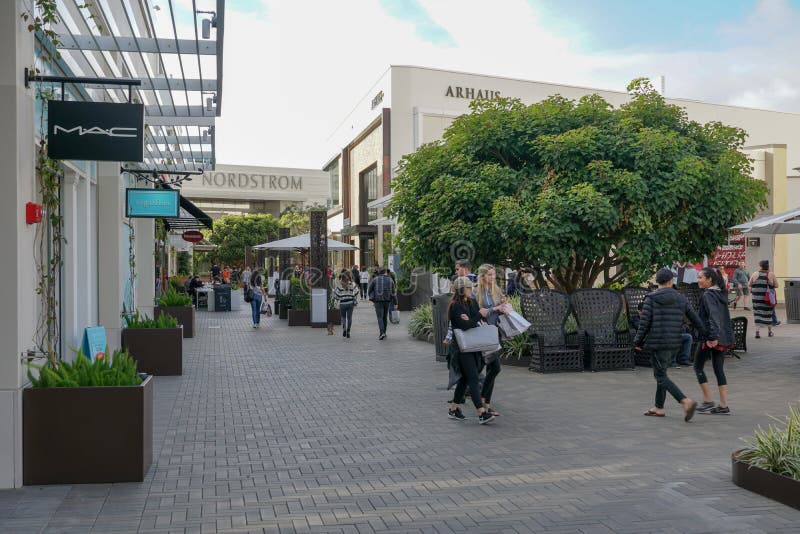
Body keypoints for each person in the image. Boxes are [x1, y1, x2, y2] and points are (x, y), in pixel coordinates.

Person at [633, 268, 704, 421]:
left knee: (660, 376)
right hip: (675, 342)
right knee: (662, 373)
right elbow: (695, 319)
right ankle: (659, 407)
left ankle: (685, 401)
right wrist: (707, 335)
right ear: (671, 281)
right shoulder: (681, 298)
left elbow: (644, 325)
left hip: (658, 344)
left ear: (657, 282)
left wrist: (636, 342)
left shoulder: (650, 299)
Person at [447, 276, 496, 424]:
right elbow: (465, 325)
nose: (472, 290)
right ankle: (481, 413)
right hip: (462, 348)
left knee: (465, 379)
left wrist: (478, 317)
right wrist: (478, 315)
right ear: (462, 289)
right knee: (473, 378)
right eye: (469, 288)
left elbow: (474, 320)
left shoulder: (472, 302)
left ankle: (454, 409)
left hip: (474, 345)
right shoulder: (455, 306)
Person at [695, 267, 735, 415]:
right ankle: (723, 405)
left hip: (711, 337)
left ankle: (708, 401)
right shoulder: (721, 293)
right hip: (723, 337)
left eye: (700, 277)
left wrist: (712, 337)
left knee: (698, 366)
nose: (698, 280)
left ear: (709, 279)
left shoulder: (708, 295)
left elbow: (713, 316)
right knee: (719, 369)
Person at [475, 264, 507, 417]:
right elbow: (479, 313)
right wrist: (496, 309)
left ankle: (486, 404)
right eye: (489, 275)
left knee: (492, 369)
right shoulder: (477, 292)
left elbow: (500, 308)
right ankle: (480, 401)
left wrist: (506, 307)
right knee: (491, 368)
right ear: (482, 277)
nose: (492, 278)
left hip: (495, 333)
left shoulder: (496, 290)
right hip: (482, 334)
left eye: (493, 275)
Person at [749, 259, 779, 338]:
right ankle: (769, 332)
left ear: (761, 266)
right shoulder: (771, 274)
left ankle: (757, 332)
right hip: (767, 298)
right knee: (768, 313)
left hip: (756, 298)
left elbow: (750, 284)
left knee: (757, 313)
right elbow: (776, 285)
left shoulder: (755, 273)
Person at [367, 266, 397, 340]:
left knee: (379, 317)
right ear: (385, 272)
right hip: (387, 300)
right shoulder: (390, 280)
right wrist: (396, 303)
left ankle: (382, 333)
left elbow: (369, 290)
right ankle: (384, 333)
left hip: (378, 300)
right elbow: (394, 292)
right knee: (384, 317)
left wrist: (372, 299)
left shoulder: (375, 279)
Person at [333, 273, 358, 338]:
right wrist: (353, 296)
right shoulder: (352, 284)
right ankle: (348, 331)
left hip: (342, 304)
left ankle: (344, 328)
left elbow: (336, 295)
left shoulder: (339, 285)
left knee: (343, 317)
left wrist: (339, 298)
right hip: (350, 303)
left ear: (341, 278)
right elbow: (356, 291)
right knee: (349, 318)